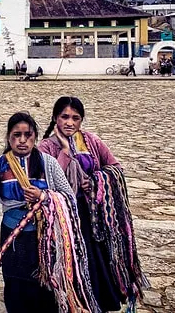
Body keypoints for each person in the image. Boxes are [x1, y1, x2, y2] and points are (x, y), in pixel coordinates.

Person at [0, 112, 86, 313]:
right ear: (8, 137)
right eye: (16, 135)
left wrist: (44, 196)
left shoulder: (48, 163)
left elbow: (69, 198)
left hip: (44, 239)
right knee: (15, 288)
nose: (22, 140)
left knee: (45, 289)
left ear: (35, 137)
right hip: (12, 238)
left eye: (27, 135)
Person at [37, 97, 128, 312]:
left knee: (93, 259)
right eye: (64, 117)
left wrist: (96, 180)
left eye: (75, 118)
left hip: (91, 215)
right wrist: (66, 152)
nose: (70, 123)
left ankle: (95, 301)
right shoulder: (46, 147)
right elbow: (45, 179)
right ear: (55, 119)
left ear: (81, 121)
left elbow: (116, 168)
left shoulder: (91, 142)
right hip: (61, 219)